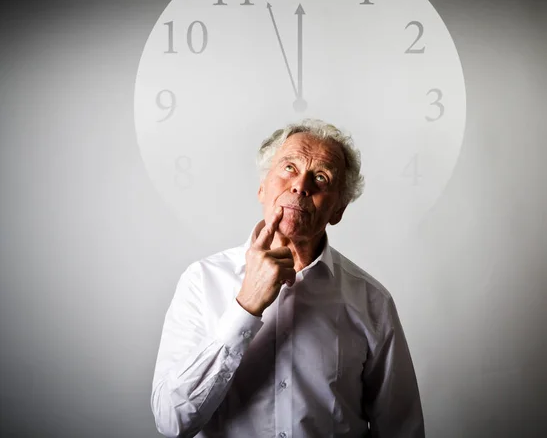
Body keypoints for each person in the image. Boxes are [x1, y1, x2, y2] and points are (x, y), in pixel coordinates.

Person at [150, 118, 425, 437]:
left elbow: (401, 429)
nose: (301, 185)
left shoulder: (372, 301)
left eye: (321, 177)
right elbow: (172, 421)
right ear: (262, 188)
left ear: (338, 210)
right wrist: (246, 306)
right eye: (289, 168)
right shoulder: (201, 281)